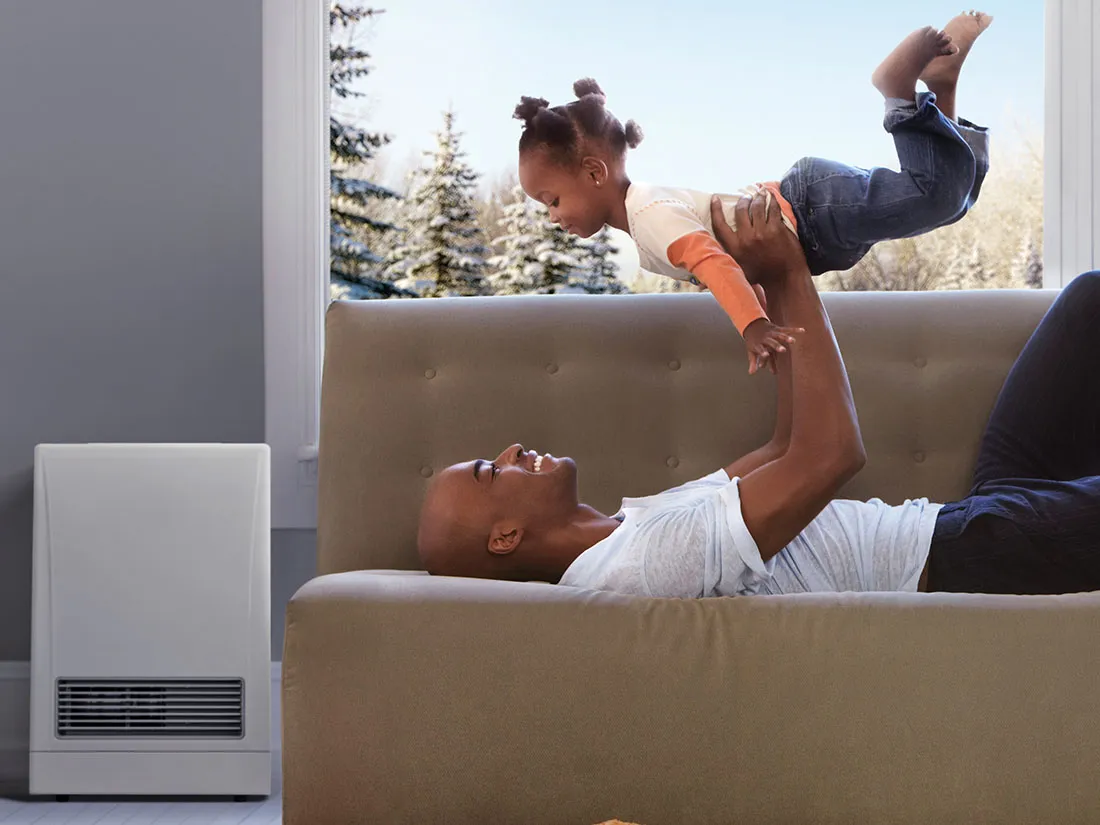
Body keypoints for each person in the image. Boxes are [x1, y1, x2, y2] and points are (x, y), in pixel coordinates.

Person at [416, 188, 1100, 597]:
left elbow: (785, 445)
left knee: (1087, 304)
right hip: (973, 556)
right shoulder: (642, 564)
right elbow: (831, 454)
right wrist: (793, 272)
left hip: (971, 515)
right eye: (488, 470)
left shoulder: (628, 527)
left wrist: (769, 293)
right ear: (504, 536)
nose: (507, 449)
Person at [514, 11, 993, 373]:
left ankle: (899, 93)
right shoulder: (649, 217)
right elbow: (741, 264)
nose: (552, 217)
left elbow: (715, 263)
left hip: (808, 211)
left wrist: (753, 325)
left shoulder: (650, 215)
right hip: (813, 220)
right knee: (950, 201)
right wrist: (770, 313)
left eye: (552, 199)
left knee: (936, 197)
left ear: (595, 172)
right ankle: (941, 91)